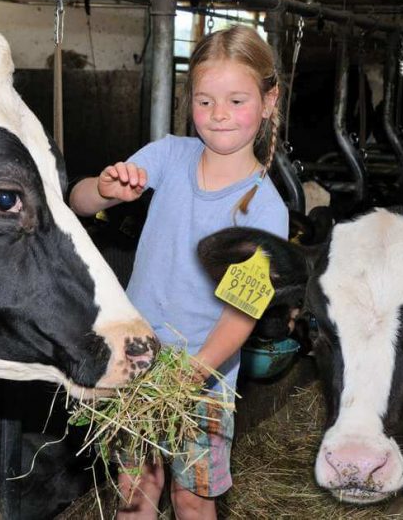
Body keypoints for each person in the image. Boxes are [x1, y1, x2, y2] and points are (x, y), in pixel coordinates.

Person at [69, 25, 289, 520]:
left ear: (269, 101)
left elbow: (241, 312)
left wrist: (195, 371)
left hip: (204, 376)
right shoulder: (168, 155)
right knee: (134, 493)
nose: (219, 115)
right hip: (135, 361)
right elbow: (77, 202)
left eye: (237, 100)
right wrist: (106, 188)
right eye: (205, 101)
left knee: (193, 499)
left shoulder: (264, 211)